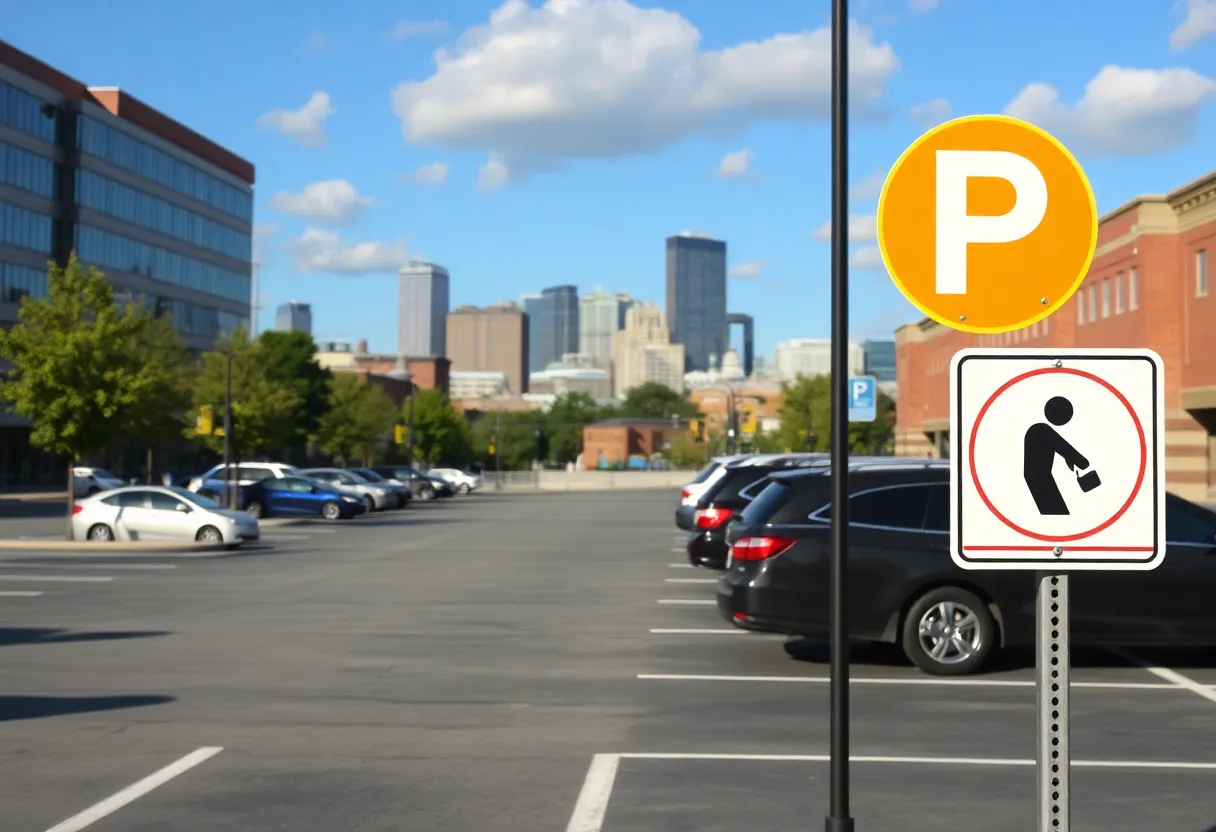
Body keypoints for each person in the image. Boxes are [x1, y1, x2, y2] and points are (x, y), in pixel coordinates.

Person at [1023, 396, 1088, 515]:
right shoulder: (1041, 430)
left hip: (1038, 479)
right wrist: (1080, 461)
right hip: (1041, 479)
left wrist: (1072, 458)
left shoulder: (1038, 430)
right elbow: (1076, 457)